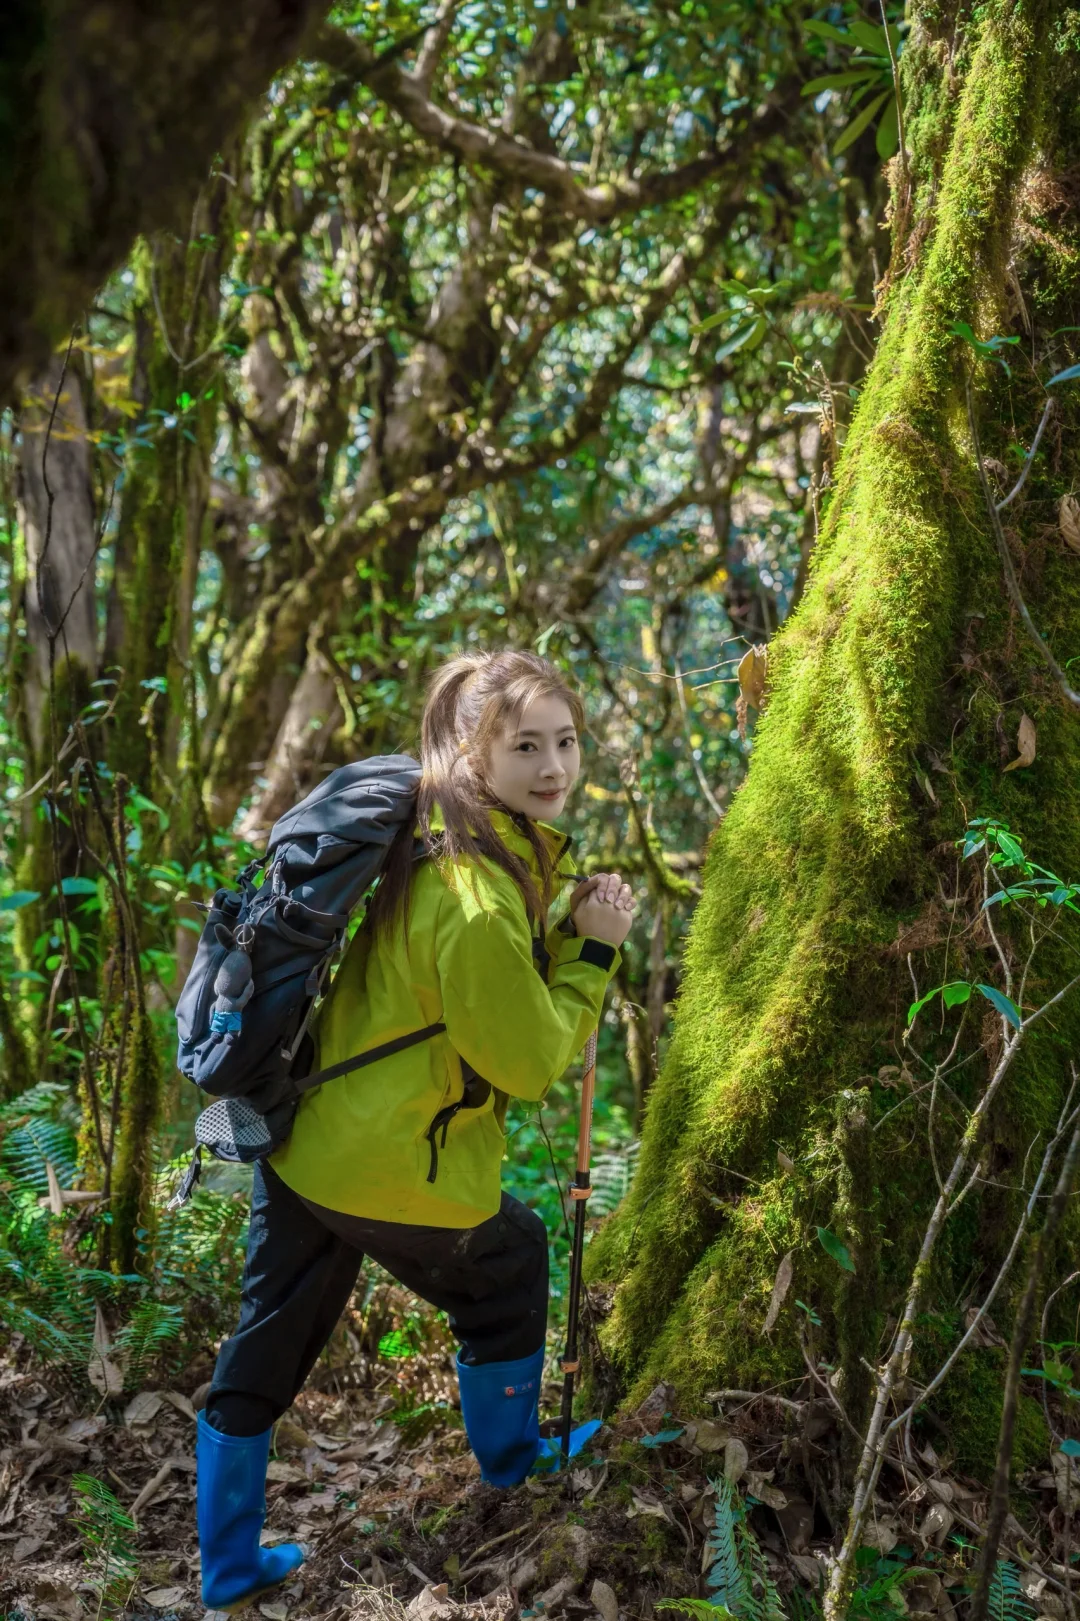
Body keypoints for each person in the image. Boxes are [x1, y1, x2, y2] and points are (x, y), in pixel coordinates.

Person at [195, 650, 637, 1610]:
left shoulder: (425, 837)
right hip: (399, 1169)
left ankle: (226, 1563)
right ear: (474, 751)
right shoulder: (476, 896)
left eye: (566, 741)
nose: (555, 765)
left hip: (308, 1145)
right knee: (511, 1261)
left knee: (264, 1345)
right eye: (526, 745)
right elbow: (526, 1060)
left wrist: (558, 936)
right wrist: (592, 953)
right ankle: (515, 1473)